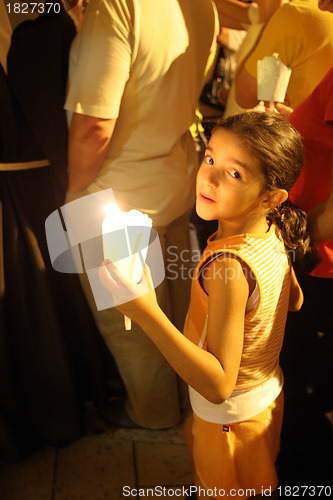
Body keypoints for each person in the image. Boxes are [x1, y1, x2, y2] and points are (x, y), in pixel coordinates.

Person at [99, 112, 321, 498]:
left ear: (271, 197)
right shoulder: (271, 230)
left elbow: (218, 385)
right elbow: (295, 300)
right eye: (210, 158)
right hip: (265, 396)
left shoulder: (229, 268)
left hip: (230, 421)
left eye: (235, 173)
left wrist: (145, 312)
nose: (210, 177)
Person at [64, 0, 219, 429]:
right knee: (176, 311)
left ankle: (153, 414)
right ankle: (192, 403)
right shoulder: (202, 6)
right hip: (174, 178)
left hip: (115, 192)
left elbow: (95, 124)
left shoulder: (117, 6)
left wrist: (76, 191)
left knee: (131, 324)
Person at [0, 1, 119, 463]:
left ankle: (51, 406)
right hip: (49, 176)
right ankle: (79, 392)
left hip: (36, 181)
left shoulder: (37, 25)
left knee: (32, 299)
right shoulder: (45, 22)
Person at [270, 0, 333, 486]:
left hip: (322, 265)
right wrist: (300, 127)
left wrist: (299, 242)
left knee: (303, 395)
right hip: (312, 255)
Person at [234, 0, 333, 110]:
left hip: (287, 125)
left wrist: (270, 18)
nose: (323, 7)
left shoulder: (294, 13)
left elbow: (244, 97)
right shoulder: (300, 11)